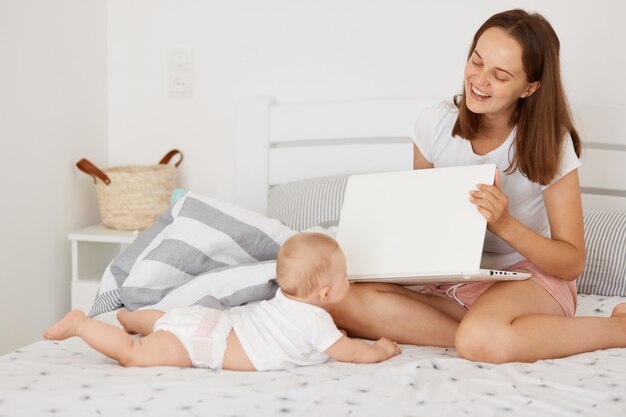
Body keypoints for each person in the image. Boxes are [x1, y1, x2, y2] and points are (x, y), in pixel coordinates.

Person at [327, 9, 626, 364]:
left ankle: (615, 329)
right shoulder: (435, 125)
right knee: (335, 297)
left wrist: (506, 225)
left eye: (500, 75)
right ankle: (500, 333)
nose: (479, 80)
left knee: (479, 337)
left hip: (528, 278)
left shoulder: (550, 144)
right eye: (476, 61)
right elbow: (423, 224)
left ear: (530, 87)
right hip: (454, 279)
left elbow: (571, 262)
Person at [43, 233, 400, 371]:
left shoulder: (283, 297)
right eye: (344, 276)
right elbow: (352, 352)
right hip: (204, 345)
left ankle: (131, 319)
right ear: (323, 294)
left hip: (209, 321)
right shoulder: (317, 323)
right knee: (134, 355)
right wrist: (382, 349)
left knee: (165, 321)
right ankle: (82, 324)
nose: (349, 281)